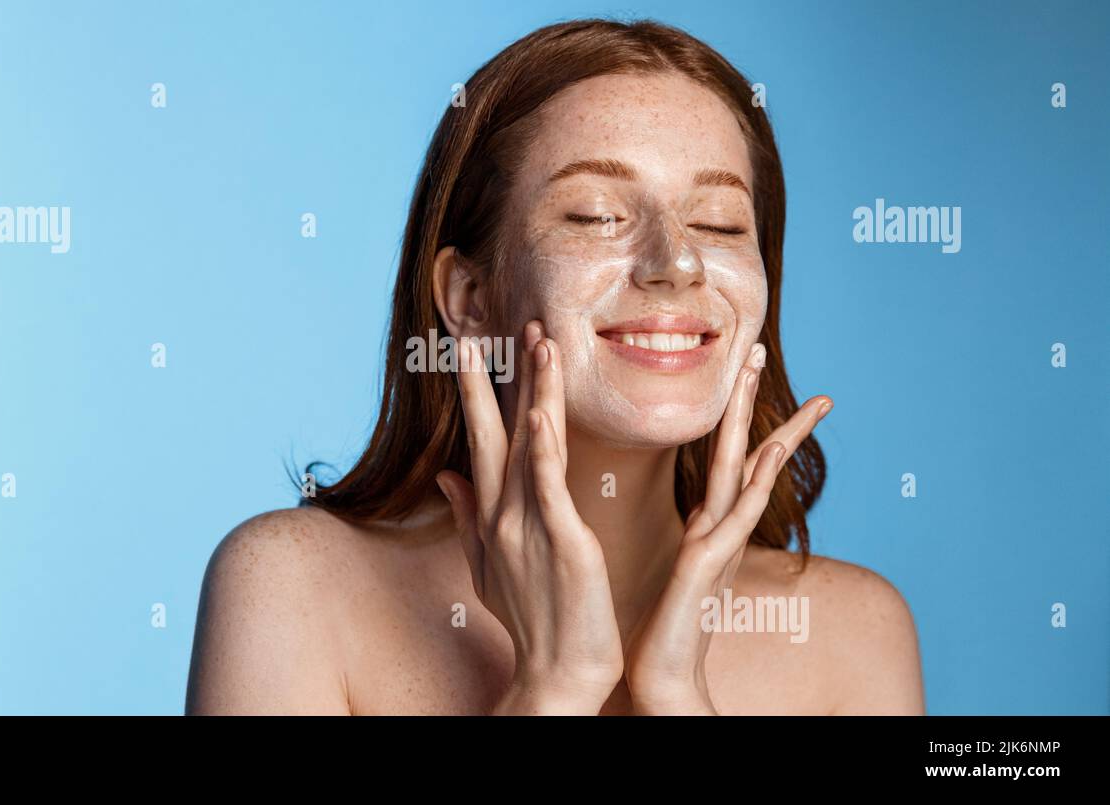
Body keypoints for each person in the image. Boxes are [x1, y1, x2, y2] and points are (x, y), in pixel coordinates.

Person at [186, 18, 925, 715]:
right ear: (471, 296)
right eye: (597, 214)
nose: (678, 262)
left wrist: (675, 694)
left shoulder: (855, 634)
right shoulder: (290, 587)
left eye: (720, 223)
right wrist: (553, 690)